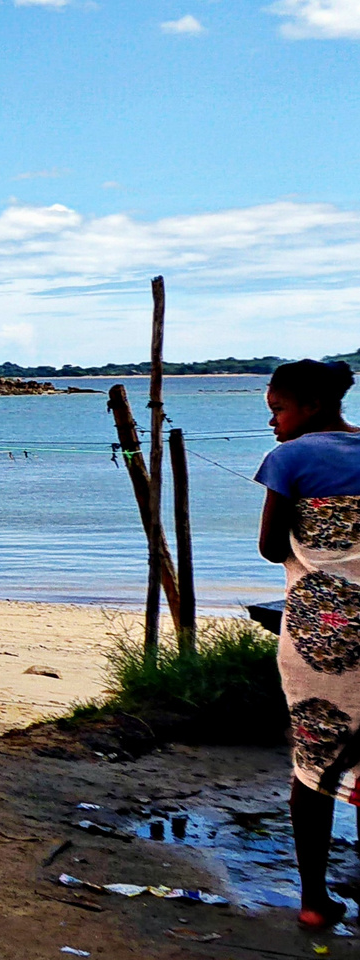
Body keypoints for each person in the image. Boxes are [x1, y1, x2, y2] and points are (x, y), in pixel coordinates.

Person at [256, 358, 360, 931]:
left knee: (313, 762)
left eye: (279, 410)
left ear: (312, 407)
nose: (273, 423)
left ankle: (316, 899)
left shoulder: (288, 459)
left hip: (321, 639)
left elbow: (272, 547)